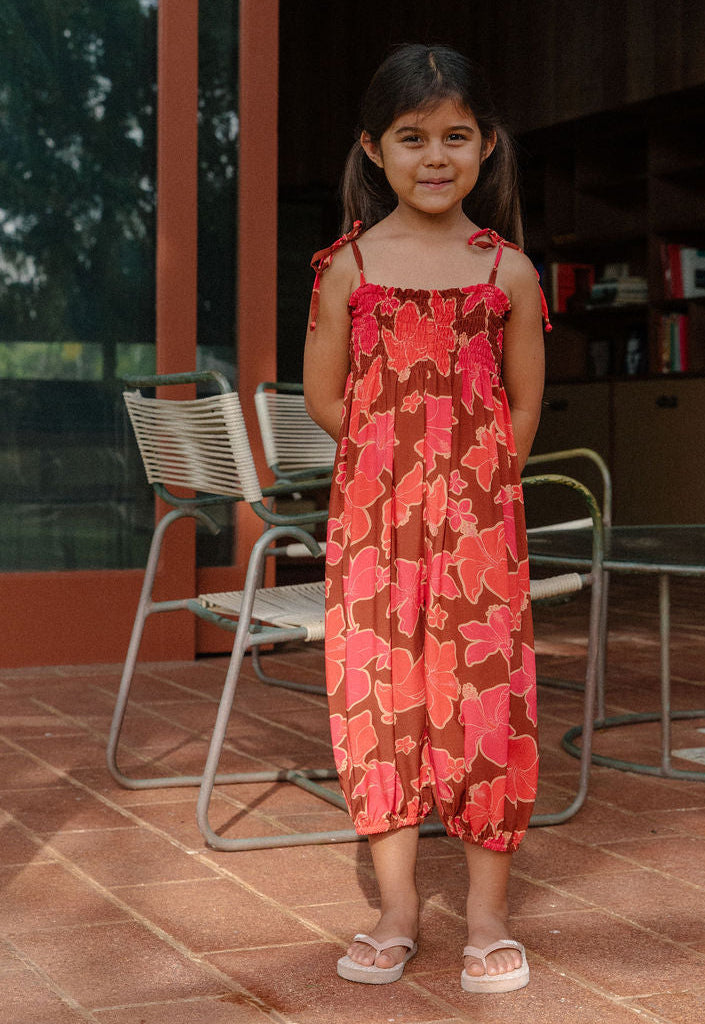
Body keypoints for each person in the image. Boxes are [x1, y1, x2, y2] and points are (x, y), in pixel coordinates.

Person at [303, 43, 548, 994]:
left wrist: (482, 477)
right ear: (375, 149)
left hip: (480, 525)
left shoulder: (510, 274)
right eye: (412, 138)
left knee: (487, 698)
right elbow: (327, 395)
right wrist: (392, 462)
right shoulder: (347, 268)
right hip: (373, 525)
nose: (434, 156)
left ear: (486, 147)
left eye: (455, 136)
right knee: (381, 695)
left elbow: (524, 403)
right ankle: (398, 909)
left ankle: (486, 913)